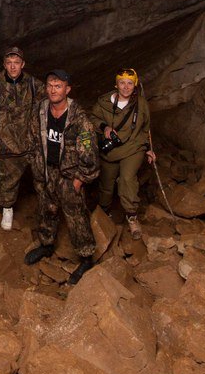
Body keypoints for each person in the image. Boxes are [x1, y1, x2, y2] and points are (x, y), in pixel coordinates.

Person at [23, 70, 101, 284]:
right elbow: (32, 138)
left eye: (58, 86)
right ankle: (46, 244)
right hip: (46, 171)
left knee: (75, 215)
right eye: (50, 85)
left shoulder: (79, 119)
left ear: (67, 90)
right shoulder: (40, 110)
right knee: (46, 208)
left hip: (69, 174)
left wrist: (79, 179)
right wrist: (35, 163)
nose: (53, 90)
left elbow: (90, 154)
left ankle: (86, 257)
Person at [90, 68, 155, 240]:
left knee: (127, 178)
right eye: (122, 83)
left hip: (134, 146)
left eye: (130, 83)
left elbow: (146, 128)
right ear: (116, 84)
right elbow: (92, 118)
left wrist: (148, 148)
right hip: (111, 149)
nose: (126, 87)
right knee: (107, 183)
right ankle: (104, 213)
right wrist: (104, 127)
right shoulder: (104, 102)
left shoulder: (141, 104)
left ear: (135, 85)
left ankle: (132, 216)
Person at [0, 46, 42, 232]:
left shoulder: (33, 84)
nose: (13, 66)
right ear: (4, 65)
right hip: (6, 143)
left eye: (16, 63)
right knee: (8, 180)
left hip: (30, 142)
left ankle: (45, 211)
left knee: (42, 178)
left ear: (23, 64)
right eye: (9, 63)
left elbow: (50, 103)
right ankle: (7, 209)